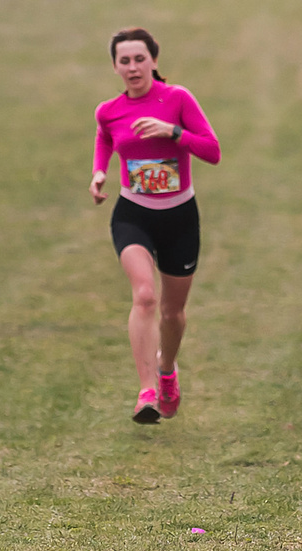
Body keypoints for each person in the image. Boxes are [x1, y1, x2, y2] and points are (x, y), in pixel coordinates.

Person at [92, 28, 221, 424]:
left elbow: (212, 151)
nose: (133, 67)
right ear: (115, 67)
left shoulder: (177, 99)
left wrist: (174, 133)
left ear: (153, 61)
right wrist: (99, 174)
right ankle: (146, 391)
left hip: (180, 217)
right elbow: (105, 139)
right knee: (144, 296)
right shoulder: (108, 110)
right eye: (124, 61)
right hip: (134, 215)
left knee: (172, 313)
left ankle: (167, 372)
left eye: (139, 59)